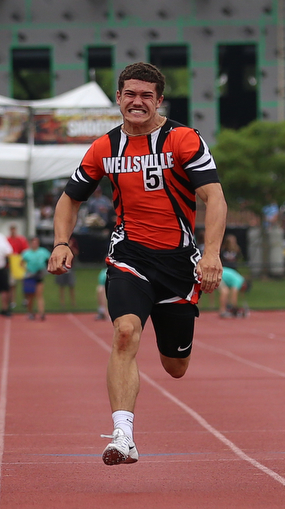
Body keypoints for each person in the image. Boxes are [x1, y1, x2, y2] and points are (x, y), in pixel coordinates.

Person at [47, 62, 228, 466]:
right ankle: (123, 435)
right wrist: (60, 242)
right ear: (118, 98)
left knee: (176, 366)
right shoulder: (104, 148)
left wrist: (212, 253)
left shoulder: (183, 140)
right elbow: (70, 199)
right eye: (130, 93)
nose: (137, 101)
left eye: (147, 95)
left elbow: (214, 197)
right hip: (129, 257)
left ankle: (171, 341)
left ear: (159, 100)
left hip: (179, 264)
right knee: (125, 333)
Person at [21, 235, 51, 320]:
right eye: (33, 242)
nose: (35, 244)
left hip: (39, 275)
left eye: (36, 242)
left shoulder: (43, 252)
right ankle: (30, 312)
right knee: (30, 296)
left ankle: (41, 313)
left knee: (39, 295)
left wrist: (46, 270)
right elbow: (21, 263)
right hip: (30, 276)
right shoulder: (26, 253)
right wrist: (26, 269)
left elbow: (49, 260)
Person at [7, 223, 28, 310]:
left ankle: (25, 299)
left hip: (20, 263)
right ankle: (12, 301)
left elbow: (25, 251)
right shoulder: (7, 240)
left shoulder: (21, 239)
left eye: (14, 229)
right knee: (12, 284)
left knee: (24, 282)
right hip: (11, 265)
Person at [54, 237, 78, 308]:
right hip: (61, 265)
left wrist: (70, 247)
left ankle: (73, 302)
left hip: (70, 266)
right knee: (61, 285)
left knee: (71, 285)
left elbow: (76, 252)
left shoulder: (73, 240)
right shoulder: (60, 241)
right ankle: (62, 302)